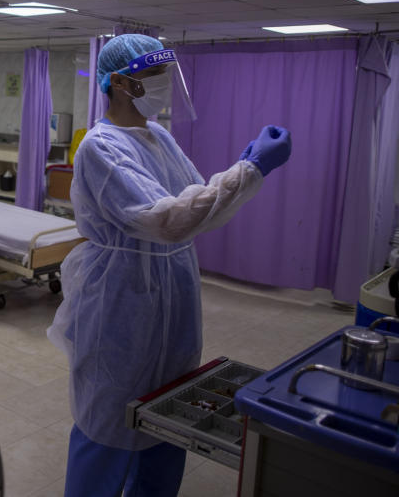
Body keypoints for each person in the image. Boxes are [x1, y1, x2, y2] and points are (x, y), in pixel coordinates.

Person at [48, 34, 291, 497]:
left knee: (167, 412)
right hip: (122, 296)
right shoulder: (100, 147)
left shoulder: (158, 136)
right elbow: (169, 220)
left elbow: (196, 204)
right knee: (109, 416)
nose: (163, 84)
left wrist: (243, 167)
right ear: (120, 83)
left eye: (164, 74)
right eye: (153, 75)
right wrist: (251, 170)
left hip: (173, 292)